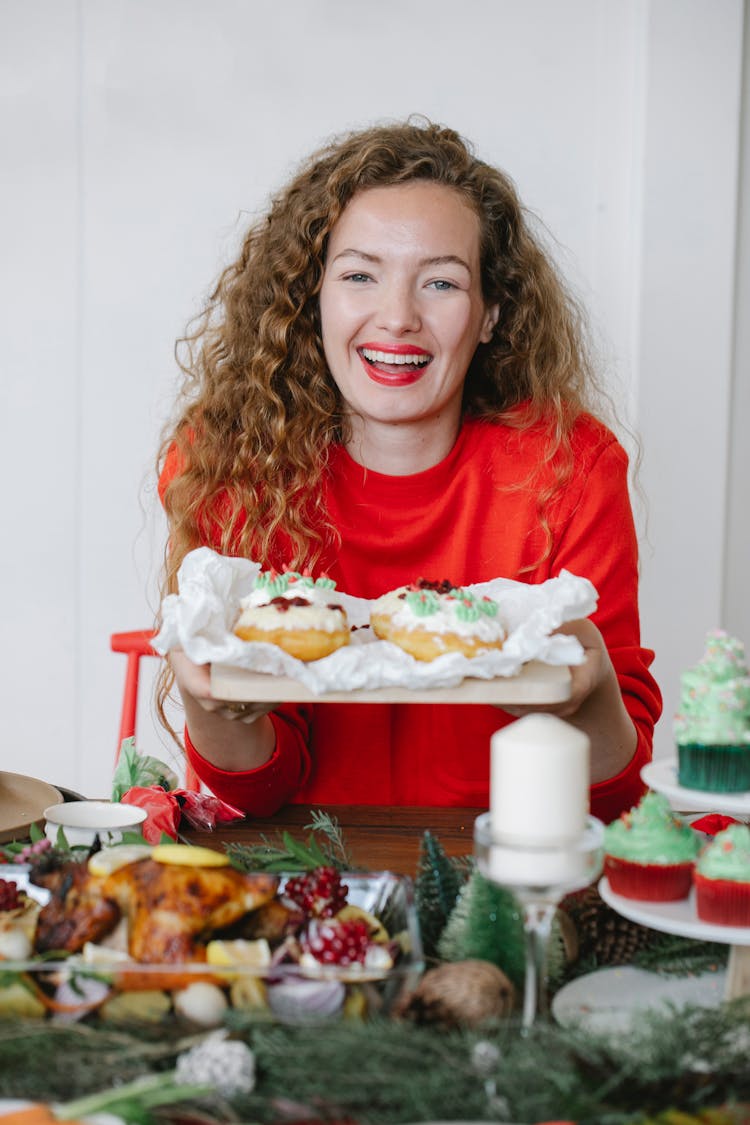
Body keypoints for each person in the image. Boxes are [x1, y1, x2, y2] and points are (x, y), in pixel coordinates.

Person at [156, 119, 662, 823]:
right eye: (360, 274)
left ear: (490, 313)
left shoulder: (569, 469)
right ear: (314, 298)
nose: (397, 318)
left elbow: (616, 794)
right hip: (306, 874)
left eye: (441, 283)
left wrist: (592, 690)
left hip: (503, 869)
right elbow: (260, 793)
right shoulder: (234, 461)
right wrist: (218, 706)